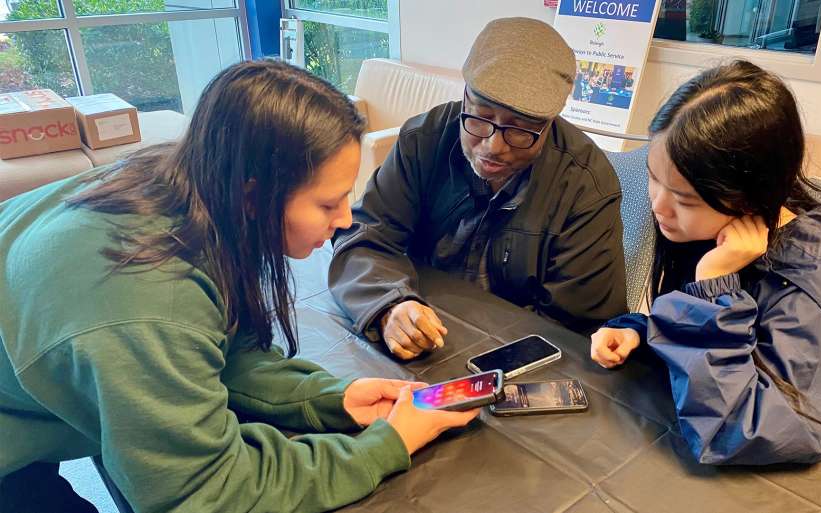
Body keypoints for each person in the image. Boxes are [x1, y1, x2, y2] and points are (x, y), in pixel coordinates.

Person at [0, 60, 478, 513]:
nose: (344, 221)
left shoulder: (186, 185)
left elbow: (220, 350)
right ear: (253, 195)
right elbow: (204, 491)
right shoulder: (144, 300)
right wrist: (387, 446)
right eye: (328, 203)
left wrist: (329, 398)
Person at [590, 60, 821, 465]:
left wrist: (711, 291)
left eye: (685, 198)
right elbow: (725, 358)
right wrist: (641, 332)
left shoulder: (807, 288)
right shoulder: (719, 233)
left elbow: (734, 432)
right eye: (653, 178)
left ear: (750, 192)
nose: (659, 206)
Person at [329, 17, 628, 360]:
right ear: (465, 97)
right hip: (423, 327)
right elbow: (364, 237)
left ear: (549, 123)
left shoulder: (586, 185)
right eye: (480, 118)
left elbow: (576, 328)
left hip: (518, 358)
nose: (493, 147)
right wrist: (389, 304)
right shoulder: (423, 141)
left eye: (519, 131)